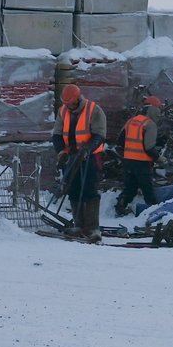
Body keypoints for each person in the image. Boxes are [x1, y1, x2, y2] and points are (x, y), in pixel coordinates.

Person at [52, 84, 107, 240]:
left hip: (90, 156)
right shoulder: (62, 111)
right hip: (72, 156)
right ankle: (78, 225)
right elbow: (56, 134)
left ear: (77, 100)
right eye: (66, 104)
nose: (68, 106)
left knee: (90, 190)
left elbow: (100, 134)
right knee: (73, 189)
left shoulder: (94, 110)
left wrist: (87, 149)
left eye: (70, 104)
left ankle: (92, 228)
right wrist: (61, 152)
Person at [115, 95, 164, 216]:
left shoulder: (132, 121)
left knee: (130, 188)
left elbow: (120, 141)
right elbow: (149, 147)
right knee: (148, 190)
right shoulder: (150, 124)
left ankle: (120, 206)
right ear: (155, 110)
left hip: (128, 162)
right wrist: (159, 158)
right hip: (142, 163)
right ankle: (153, 213)